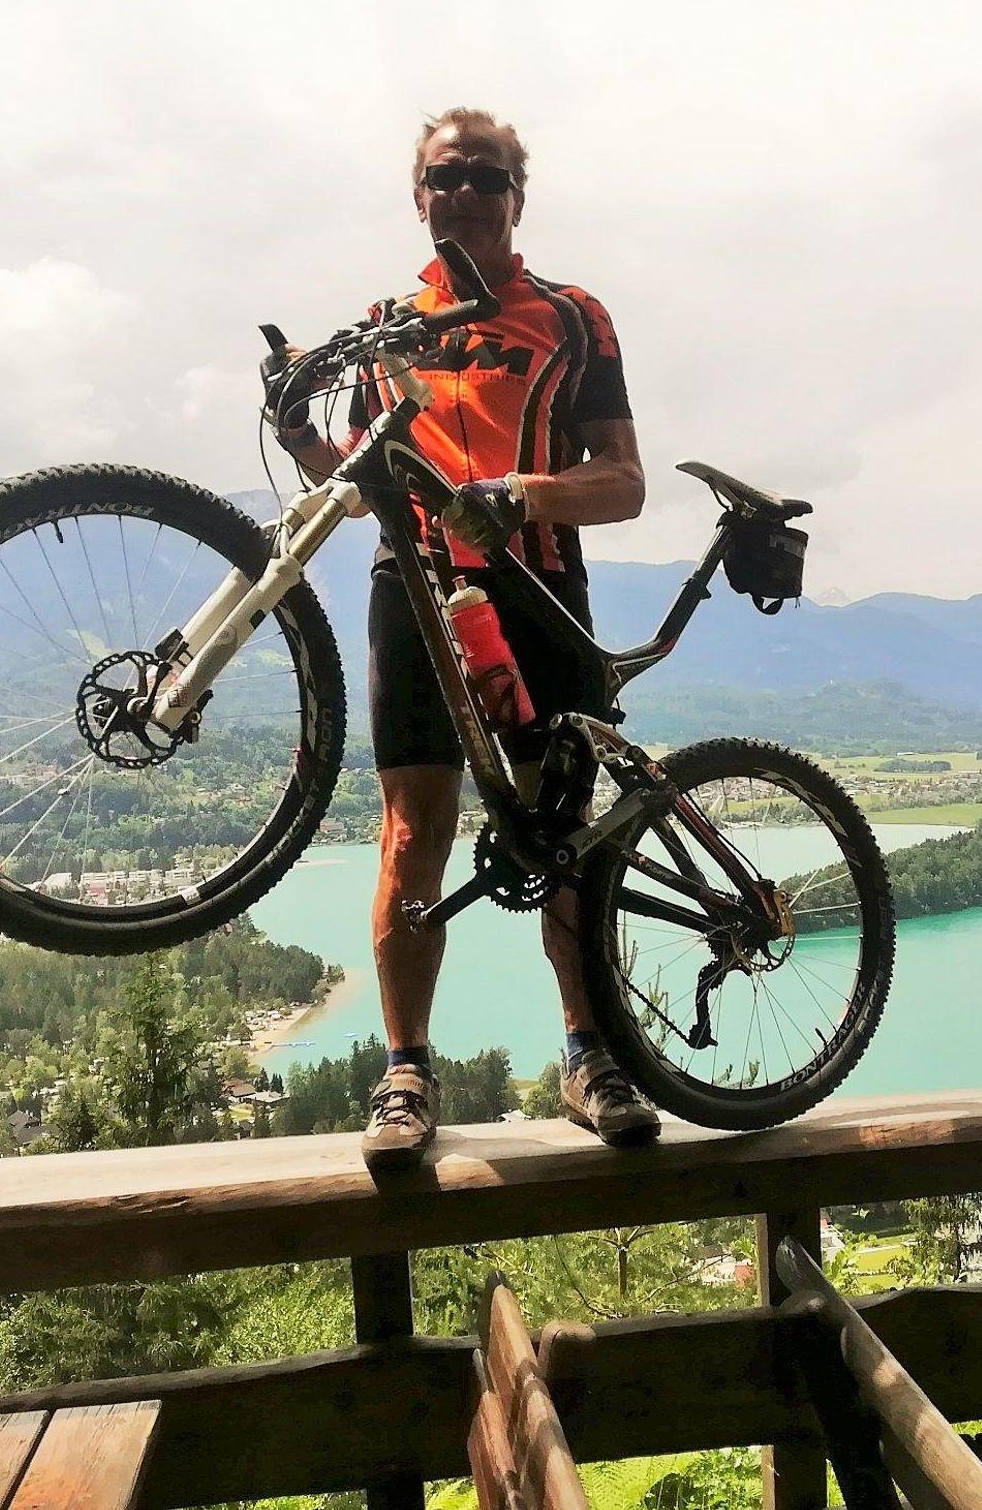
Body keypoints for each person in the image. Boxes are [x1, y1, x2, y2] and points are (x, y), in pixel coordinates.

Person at [271, 107, 660, 1168]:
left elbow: (624, 481)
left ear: (516, 197)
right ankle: (405, 1070)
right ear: (418, 196)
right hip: (416, 590)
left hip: (539, 586)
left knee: (564, 830)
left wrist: (522, 491)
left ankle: (590, 1054)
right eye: (445, 177)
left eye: (486, 178)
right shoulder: (384, 328)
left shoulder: (572, 317)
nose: (465, 195)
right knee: (413, 835)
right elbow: (359, 487)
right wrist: (300, 432)